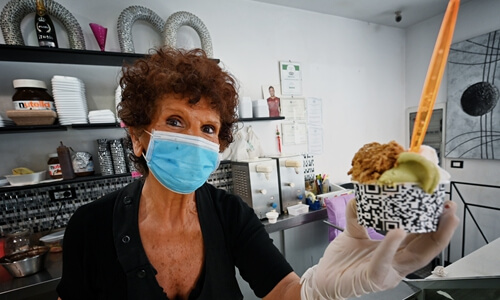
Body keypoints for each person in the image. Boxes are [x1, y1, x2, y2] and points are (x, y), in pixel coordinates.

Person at [56, 47, 459, 300]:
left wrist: (323, 287)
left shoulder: (230, 214)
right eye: (176, 122)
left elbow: (282, 290)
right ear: (139, 138)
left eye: (209, 128)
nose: (195, 138)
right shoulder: (89, 227)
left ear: (219, 144)